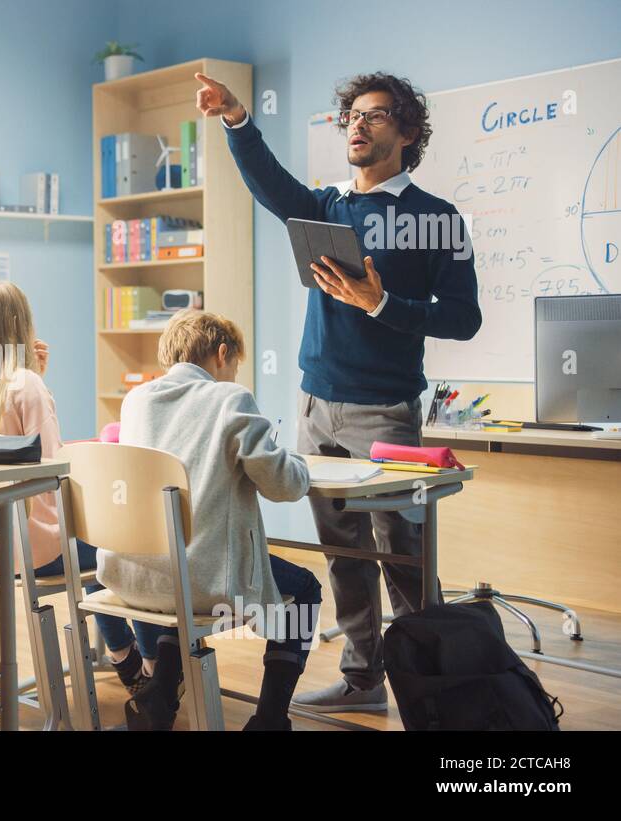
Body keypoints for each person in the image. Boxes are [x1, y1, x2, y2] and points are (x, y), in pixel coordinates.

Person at [196, 69, 480, 713]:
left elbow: (464, 318)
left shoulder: (437, 218)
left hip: (387, 415)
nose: (357, 122)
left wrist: (384, 305)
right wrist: (236, 119)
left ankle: (427, 691)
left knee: (403, 557)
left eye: (375, 115)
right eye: (352, 114)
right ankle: (362, 683)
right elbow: (270, 185)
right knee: (343, 556)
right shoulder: (328, 206)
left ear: (407, 133)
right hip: (315, 406)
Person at [104, 310, 322, 730]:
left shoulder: (137, 402)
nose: (233, 374)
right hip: (206, 580)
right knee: (307, 590)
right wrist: (295, 462)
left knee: (183, 578)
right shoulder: (230, 399)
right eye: (234, 365)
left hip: (138, 575)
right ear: (222, 353)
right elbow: (283, 486)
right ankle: (271, 720)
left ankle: (160, 697)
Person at [0, 281, 162, 695]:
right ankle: (150, 666)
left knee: (98, 553)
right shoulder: (25, 384)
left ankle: (124, 655)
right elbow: (54, 471)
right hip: (32, 550)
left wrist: (37, 380)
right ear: (18, 324)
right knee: (133, 549)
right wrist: (38, 383)